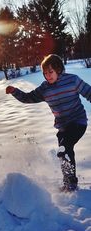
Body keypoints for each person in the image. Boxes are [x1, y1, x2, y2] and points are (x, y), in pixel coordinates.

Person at [6, 54, 91, 192]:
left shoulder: (72, 80)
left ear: (58, 70)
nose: (48, 76)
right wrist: (15, 91)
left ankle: (71, 185)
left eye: (50, 72)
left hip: (78, 121)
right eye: (45, 73)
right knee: (63, 153)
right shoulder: (45, 89)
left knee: (65, 147)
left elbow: (89, 93)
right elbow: (29, 98)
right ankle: (68, 182)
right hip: (63, 127)